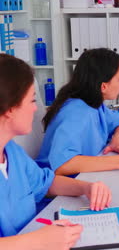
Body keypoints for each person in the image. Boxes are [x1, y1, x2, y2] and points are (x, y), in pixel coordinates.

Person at [0, 54, 111, 248]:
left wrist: (86, 188)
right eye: (32, 101)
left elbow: (45, 182)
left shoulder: (12, 152)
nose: (36, 110)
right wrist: (40, 241)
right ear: (10, 109)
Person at [36, 48, 119, 175]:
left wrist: (116, 142)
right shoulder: (76, 114)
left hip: (85, 177)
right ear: (103, 86)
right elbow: (62, 165)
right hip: (56, 188)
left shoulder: (93, 103)